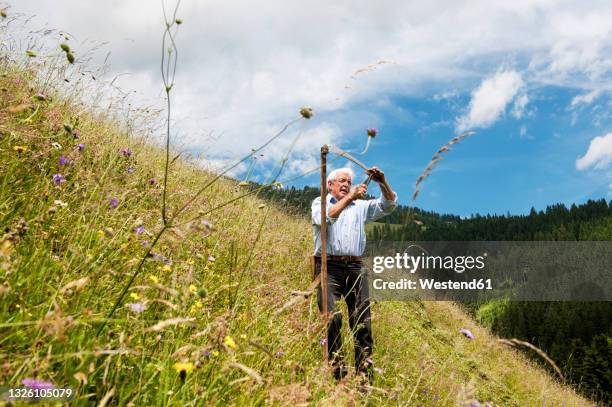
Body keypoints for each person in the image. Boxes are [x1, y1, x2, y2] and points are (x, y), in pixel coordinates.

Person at [311, 166, 397, 382]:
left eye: (349, 182)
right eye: (341, 181)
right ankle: (337, 374)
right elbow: (326, 218)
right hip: (327, 267)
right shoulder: (320, 203)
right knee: (332, 319)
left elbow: (388, 205)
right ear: (329, 185)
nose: (346, 185)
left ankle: (363, 380)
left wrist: (382, 182)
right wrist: (350, 196)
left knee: (362, 323)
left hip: (355, 268)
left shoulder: (361, 206)